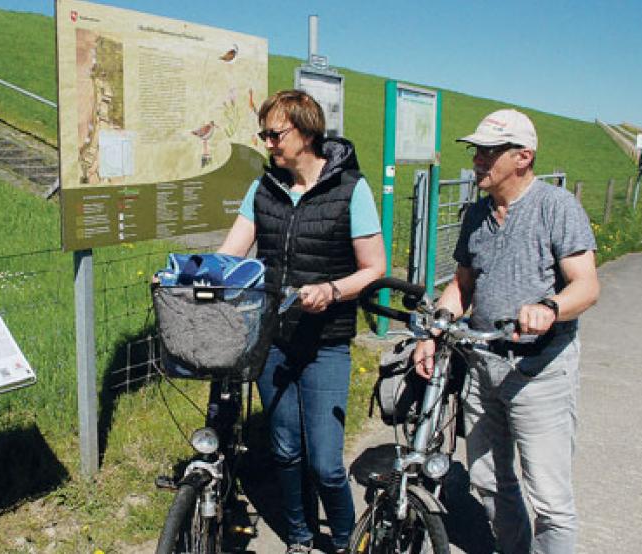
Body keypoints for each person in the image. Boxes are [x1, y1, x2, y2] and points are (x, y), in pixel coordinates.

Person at [412, 109, 600, 554]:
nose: (478, 159)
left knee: (550, 501)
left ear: (523, 156)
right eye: (476, 150)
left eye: (489, 151)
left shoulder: (556, 207)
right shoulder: (476, 213)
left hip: (539, 370)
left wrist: (550, 308)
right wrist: (432, 333)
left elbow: (587, 285)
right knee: (489, 482)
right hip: (482, 368)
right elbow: (461, 284)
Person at [219, 89, 386, 554]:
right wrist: (188, 276)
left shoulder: (351, 189)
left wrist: (332, 291)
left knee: (327, 464)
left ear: (307, 130)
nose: (268, 143)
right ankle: (298, 537)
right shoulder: (264, 188)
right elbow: (231, 253)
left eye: (276, 133)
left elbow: (373, 267)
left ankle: (350, 543)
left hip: (326, 341)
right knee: (286, 451)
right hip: (272, 337)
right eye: (264, 134)